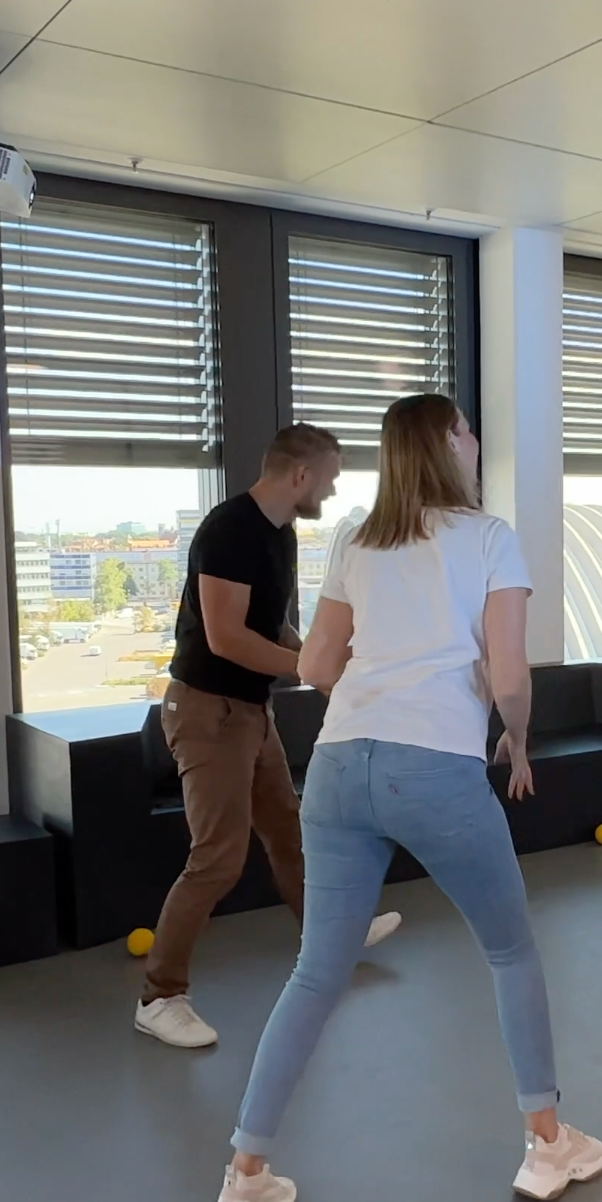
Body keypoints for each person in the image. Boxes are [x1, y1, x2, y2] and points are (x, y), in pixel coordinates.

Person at [205, 393, 602, 1202]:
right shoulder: (490, 537)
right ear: (444, 446)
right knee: (508, 950)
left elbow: (316, 665)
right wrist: (520, 744)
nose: (475, 437)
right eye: (466, 427)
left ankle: (242, 1181)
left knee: (317, 972)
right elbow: (508, 676)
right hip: (436, 767)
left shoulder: (357, 537)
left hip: (342, 764)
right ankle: (547, 1145)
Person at [137, 423, 400, 1050]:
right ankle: (159, 996)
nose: (332, 493)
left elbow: (271, 624)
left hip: (250, 713)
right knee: (217, 859)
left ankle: (331, 935)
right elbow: (225, 637)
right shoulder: (229, 531)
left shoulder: (280, 535)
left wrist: (320, 659)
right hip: (207, 714)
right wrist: (305, 666)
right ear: (300, 475)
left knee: (288, 830)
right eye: (330, 478)